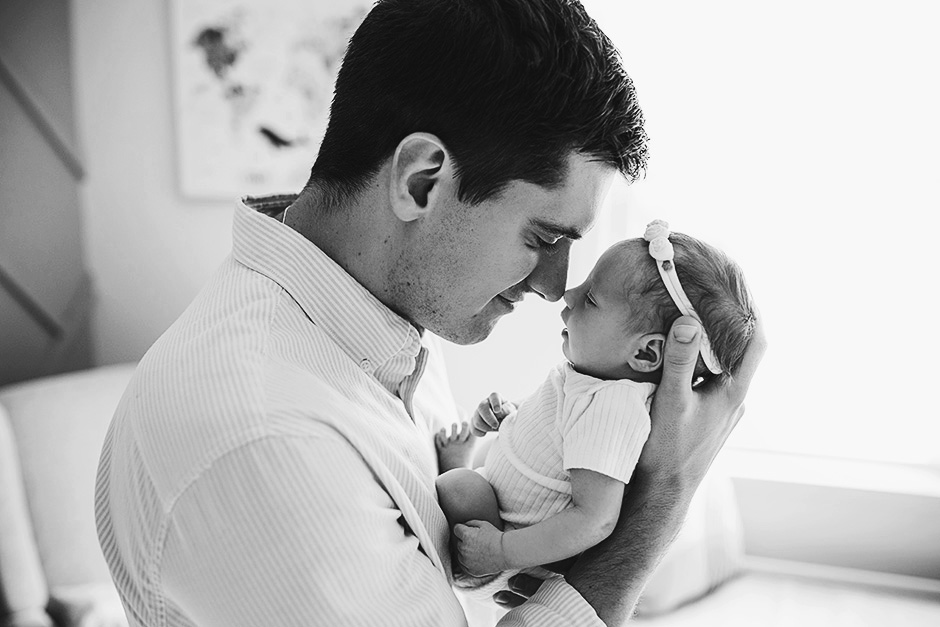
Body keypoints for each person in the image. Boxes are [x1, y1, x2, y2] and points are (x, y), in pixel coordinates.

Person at [94, 1, 766, 626]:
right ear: (422, 181)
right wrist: (663, 498)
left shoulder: (385, 326)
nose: (555, 287)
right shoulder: (268, 439)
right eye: (542, 238)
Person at [434, 222, 758, 590]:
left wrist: (502, 551)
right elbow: (555, 438)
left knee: (459, 486)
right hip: (507, 502)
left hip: (511, 542)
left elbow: (595, 518)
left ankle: (460, 473)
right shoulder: (591, 380)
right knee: (483, 460)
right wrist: (509, 418)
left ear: (646, 352)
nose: (568, 293)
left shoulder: (613, 407)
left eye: (590, 298)